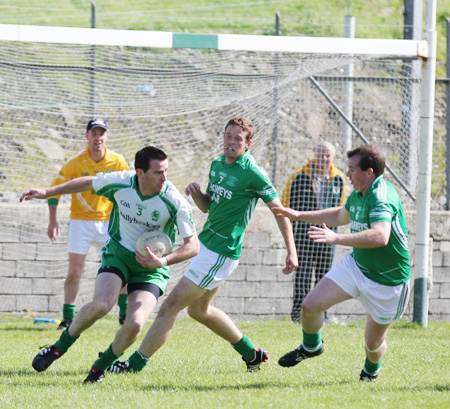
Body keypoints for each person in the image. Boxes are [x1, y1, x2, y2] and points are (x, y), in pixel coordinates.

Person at [105, 116, 298, 377]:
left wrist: (292, 250)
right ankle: (252, 354)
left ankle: (133, 365)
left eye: (237, 139)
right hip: (205, 243)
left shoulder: (253, 173)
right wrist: (198, 195)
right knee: (199, 310)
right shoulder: (218, 164)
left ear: (248, 143)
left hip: (221, 252)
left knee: (170, 305)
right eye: (228, 136)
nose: (230, 142)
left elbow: (279, 211)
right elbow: (210, 207)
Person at [20, 146, 199, 384]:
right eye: (158, 172)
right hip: (118, 254)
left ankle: (99, 368)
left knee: (135, 323)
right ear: (140, 173)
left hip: (151, 268)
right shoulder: (122, 182)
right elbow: (87, 183)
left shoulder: (174, 200)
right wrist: (48, 191)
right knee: (101, 304)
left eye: (166, 171)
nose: (164, 178)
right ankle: (57, 349)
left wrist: (162, 261)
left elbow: (193, 246)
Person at [273, 145, 410, 382]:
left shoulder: (381, 196)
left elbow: (381, 236)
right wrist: (298, 215)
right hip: (357, 267)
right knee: (310, 305)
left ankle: (370, 371)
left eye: (352, 169)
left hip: (388, 282)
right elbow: (340, 215)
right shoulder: (359, 194)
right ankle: (312, 347)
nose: (347, 174)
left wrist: (336, 238)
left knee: (373, 343)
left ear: (369, 172)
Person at [47, 118, 130, 329]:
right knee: (75, 270)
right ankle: (68, 318)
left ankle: (125, 313)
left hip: (109, 224)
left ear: (107, 136)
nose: (98, 138)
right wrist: (53, 220)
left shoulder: (118, 162)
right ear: (87, 136)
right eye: (94, 133)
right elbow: (55, 190)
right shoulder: (76, 163)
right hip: (80, 223)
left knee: (121, 268)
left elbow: (130, 190)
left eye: (102, 133)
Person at [281, 142, 346, 322]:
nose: (324, 159)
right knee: (302, 276)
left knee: (324, 277)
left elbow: (340, 209)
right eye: (321, 154)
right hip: (303, 236)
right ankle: (298, 315)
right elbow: (286, 204)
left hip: (327, 236)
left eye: (328, 156)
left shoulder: (339, 179)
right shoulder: (299, 177)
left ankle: (321, 315)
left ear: (333, 158)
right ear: (315, 155)